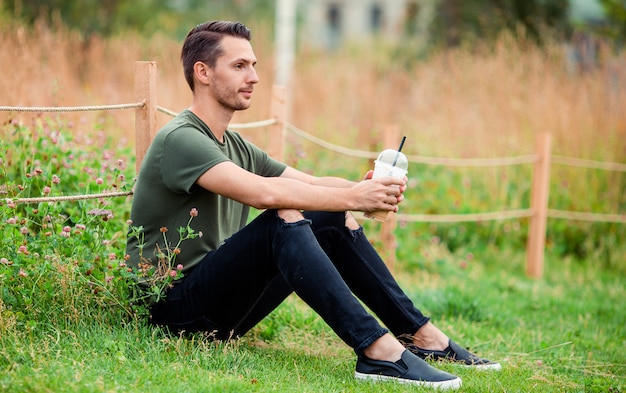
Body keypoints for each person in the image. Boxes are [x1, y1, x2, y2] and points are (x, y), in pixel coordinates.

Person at [126, 20, 500, 390]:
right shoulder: (182, 138)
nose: (254, 76)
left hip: (222, 310)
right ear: (203, 72)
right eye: (240, 66)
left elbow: (312, 184)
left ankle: (421, 337)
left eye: (254, 65)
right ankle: (377, 351)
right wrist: (354, 198)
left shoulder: (233, 144)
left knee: (330, 215)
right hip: (171, 311)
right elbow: (264, 195)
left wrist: (364, 189)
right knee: (282, 218)